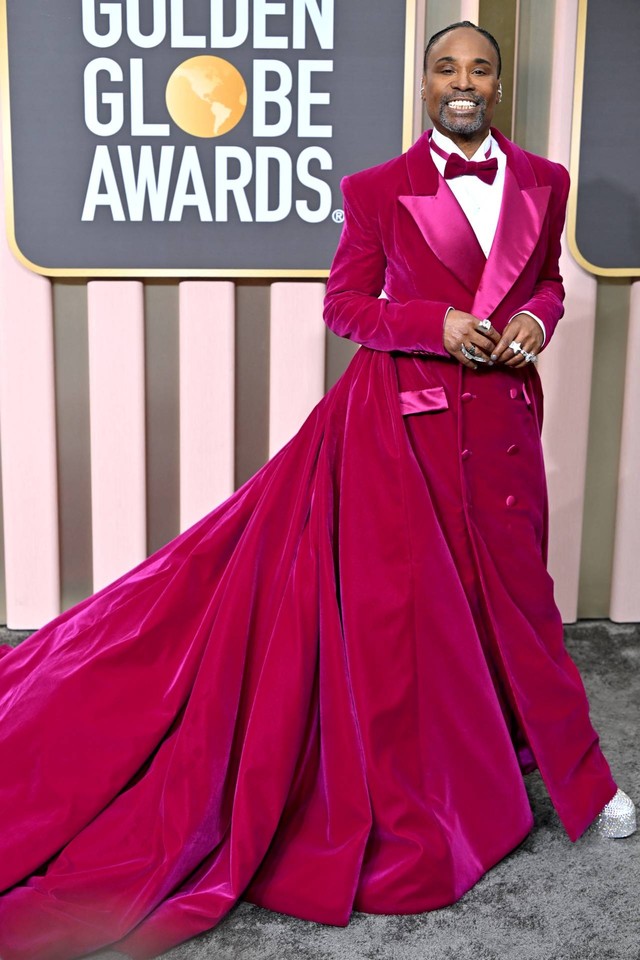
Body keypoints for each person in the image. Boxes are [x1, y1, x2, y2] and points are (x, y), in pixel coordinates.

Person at [0, 19, 635, 960]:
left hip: (501, 432)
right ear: (425, 84)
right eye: (445, 68)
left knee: (523, 607)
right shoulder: (377, 190)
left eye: (479, 69)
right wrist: (435, 321)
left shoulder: (547, 180)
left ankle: (584, 784)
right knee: (406, 624)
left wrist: (537, 323)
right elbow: (345, 304)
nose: (462, 82)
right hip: (398, 432)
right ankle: (433, 789)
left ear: (499, 85)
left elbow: (544, 284)